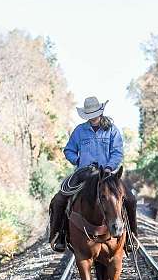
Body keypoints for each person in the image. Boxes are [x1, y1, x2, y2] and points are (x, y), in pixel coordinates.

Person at [49, 96, 138, 252]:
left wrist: (110, 167)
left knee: (130, 199)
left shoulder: (112, 130)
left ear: (100, 112)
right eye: (89, 114)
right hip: (84, 173)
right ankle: (59, 236)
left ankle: (132, 237)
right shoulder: (79, 131)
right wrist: (77, 160)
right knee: (59, 199)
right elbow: (68, 150)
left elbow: (117, 152)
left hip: (108, 174)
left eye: (94, 113)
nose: (92, 117)